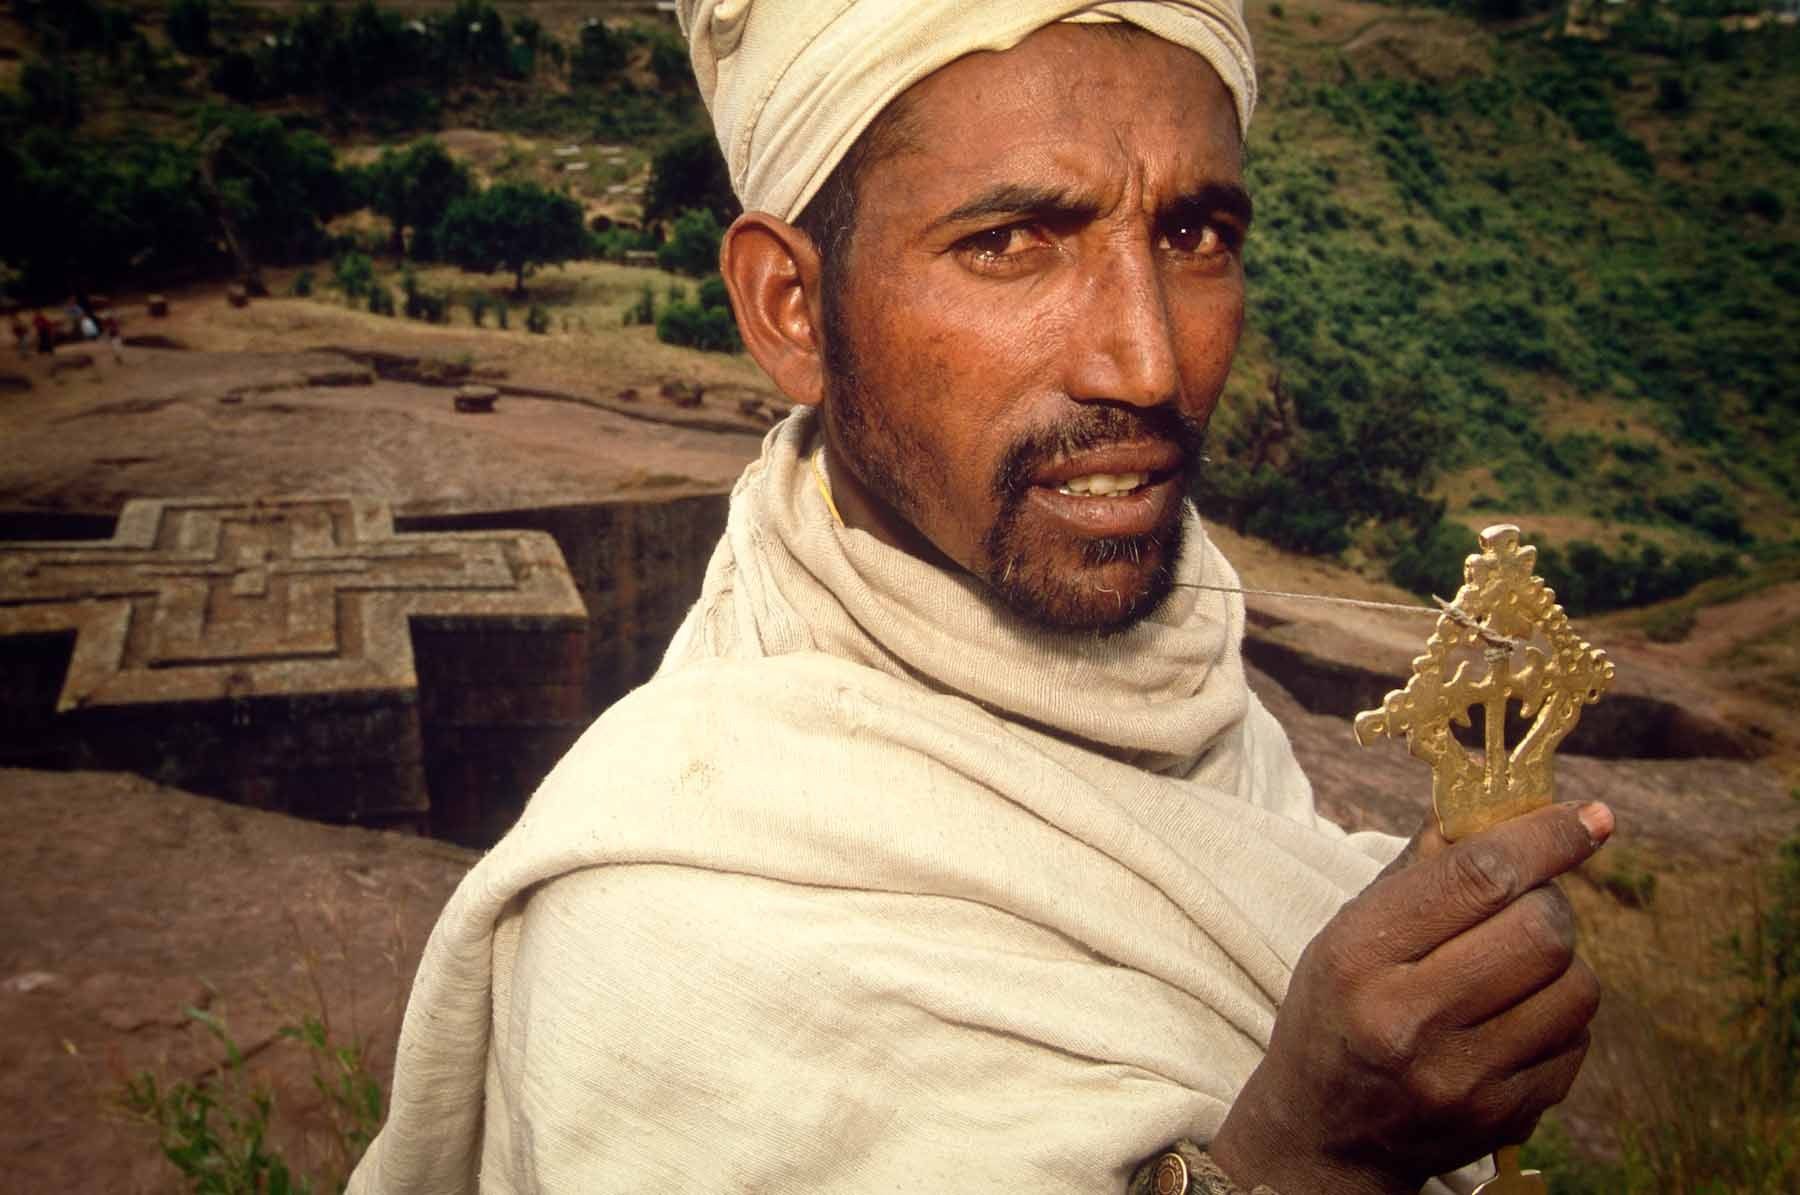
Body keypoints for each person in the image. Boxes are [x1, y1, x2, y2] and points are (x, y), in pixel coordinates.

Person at [350, 4, 1608, 1193]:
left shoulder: (1190, 683)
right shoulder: (665, 930)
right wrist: (1303, 1158)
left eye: (1195, 236)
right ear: (792, 308)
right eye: (1009, 242)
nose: (1149, 360)